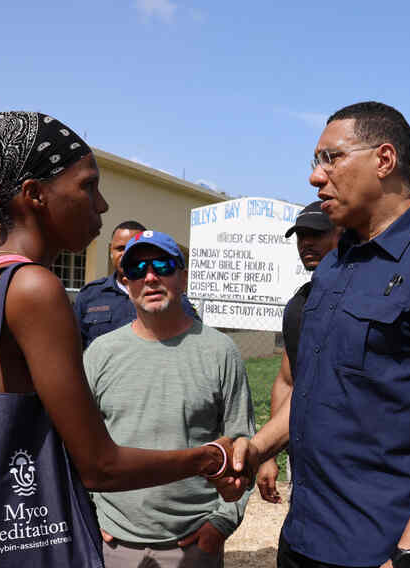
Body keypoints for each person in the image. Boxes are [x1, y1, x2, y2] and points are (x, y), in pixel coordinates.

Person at [0, 111, 249, 559]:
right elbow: (100, 467)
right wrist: (210, 457)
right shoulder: (35, 288)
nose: (101, 205)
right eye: (87, 186)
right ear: (34, 194)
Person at [226, 101, 410, 568]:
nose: (316, 177)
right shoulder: (335, 264)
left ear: (384, 160)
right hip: (306, 535)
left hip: (380, 547)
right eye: (317, 162)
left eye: (331, 158)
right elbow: (317, 389)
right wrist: (259, 446)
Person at [83, 229, 255, 567]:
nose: (150, 277)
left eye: (163, 265)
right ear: (125, 282)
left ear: (184, 277)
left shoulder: (220, 351)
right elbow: (79, 443)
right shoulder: (100, 353)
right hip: (115, 543)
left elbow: (241, 441)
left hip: (193, 544)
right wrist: (90, 513)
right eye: (136, 270)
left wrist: (220, 524)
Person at [254, 200, 339, 504]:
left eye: (316, 234)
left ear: (339, 234)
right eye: (301, 236)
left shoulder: (359, 300)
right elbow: (288, 381)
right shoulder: (298, 305)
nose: (307, 244)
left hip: (350, 460)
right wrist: (268, 455)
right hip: (303, 456)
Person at [75, 220, 197, 349]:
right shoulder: (90, 295)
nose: (124, 253)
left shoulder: (174, 300)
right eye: (120, 248)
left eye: (130, 248)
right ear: (111, 252)